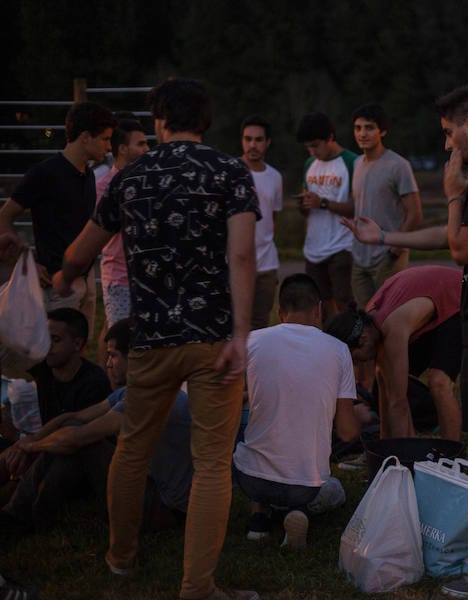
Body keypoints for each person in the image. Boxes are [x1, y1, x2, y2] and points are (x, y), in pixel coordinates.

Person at [52, 77, 260, 600]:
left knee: (132, 448)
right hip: (214, 339)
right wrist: (241, 331)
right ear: (206, 121)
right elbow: (240, 256)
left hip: (149, 339)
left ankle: (120, 560)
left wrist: (59, 279)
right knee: (212, 463)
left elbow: (81, 254)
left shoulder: (131, 177)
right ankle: (198, 586)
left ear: (160, 122)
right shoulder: (231, 171)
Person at [342, 85, 468, 597]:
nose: (450, 146)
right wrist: (382, 238)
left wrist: (453, 191)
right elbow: (452, 236)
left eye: (451, 135)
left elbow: (460, 248)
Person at [0, 319, 192, 535]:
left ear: (136, 358)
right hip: (150, 488)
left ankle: (25, 516)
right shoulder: (140, 389)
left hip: (167, 511)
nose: (108, 364)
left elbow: (79, 437)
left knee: (84, 444)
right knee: (72, 432)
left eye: (113, 355)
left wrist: (32, 448)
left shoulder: (148, 399)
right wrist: (31, 441)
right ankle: (25, 514)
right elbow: (72, 418)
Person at [233, 274, 357, 548]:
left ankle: (258, 523)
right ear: (319, 309)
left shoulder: (252, 340)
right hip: (306, 484)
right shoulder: (339, 350)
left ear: (280, 313)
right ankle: (296, 512)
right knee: (334, 490)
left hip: (251, 479)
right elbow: (348, 432)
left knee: (249, 424)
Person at [0, 102, 116, 333]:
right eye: (104, 139)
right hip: (56, 282)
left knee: (78, 351)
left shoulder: (89, 175)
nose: (109, 146)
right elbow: (5, 216)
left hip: (85, 277)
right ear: (85, 137)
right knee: (55, 354)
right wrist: (26, 260)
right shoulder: (45, 173)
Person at [325, 265, 463, 441]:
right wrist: (385, 447)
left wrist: (403, 456)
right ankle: (393, 444)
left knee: (439, 383)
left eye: (355, 359)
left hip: (459, 299)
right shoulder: (371, 323)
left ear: (363, 341)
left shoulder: (392, 329)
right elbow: (386, 389)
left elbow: (398, 402)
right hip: (430, 302)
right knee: (383, 379)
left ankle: (451, 455)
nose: (357, 364)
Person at [348, 103, 422, 308]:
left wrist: (394, 251)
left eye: (369, 127)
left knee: (390, 319)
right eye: (358, 128)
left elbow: (415, 214)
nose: (362, 133)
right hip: (359, 258)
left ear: (383, 131)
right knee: (364, 324)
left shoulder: (398, 165)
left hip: (387, 258)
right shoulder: (357, 164)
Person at [95, 118, 150, 368]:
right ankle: (115, 394)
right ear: (123, 149)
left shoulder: (143, 182)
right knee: (118, 341)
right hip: (118, 276)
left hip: (141, 275)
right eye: (141, 143)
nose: (147, 149)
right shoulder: (105, 185)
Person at [295, 112, 357, 321]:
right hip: (314, 246)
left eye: (315, 145)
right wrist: (303, 204)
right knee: (319, 305)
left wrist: (323, 202)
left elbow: (358, 207)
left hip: (342, 245)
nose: (312, 151)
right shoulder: (309, 164)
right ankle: (328, 346)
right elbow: (306, 206)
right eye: (308, 147)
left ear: (330, 137)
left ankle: (350, 347)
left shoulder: (351, 162)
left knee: (345, 301)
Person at [240, 115, 284, 330]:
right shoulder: (231, 172)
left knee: (260, 325)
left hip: (266, 264)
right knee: (235, 324)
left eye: (258, 140)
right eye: (248, 139)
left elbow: (272, 218)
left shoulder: (275, 177)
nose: (252, 145)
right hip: (236, 262)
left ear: (267, 143)